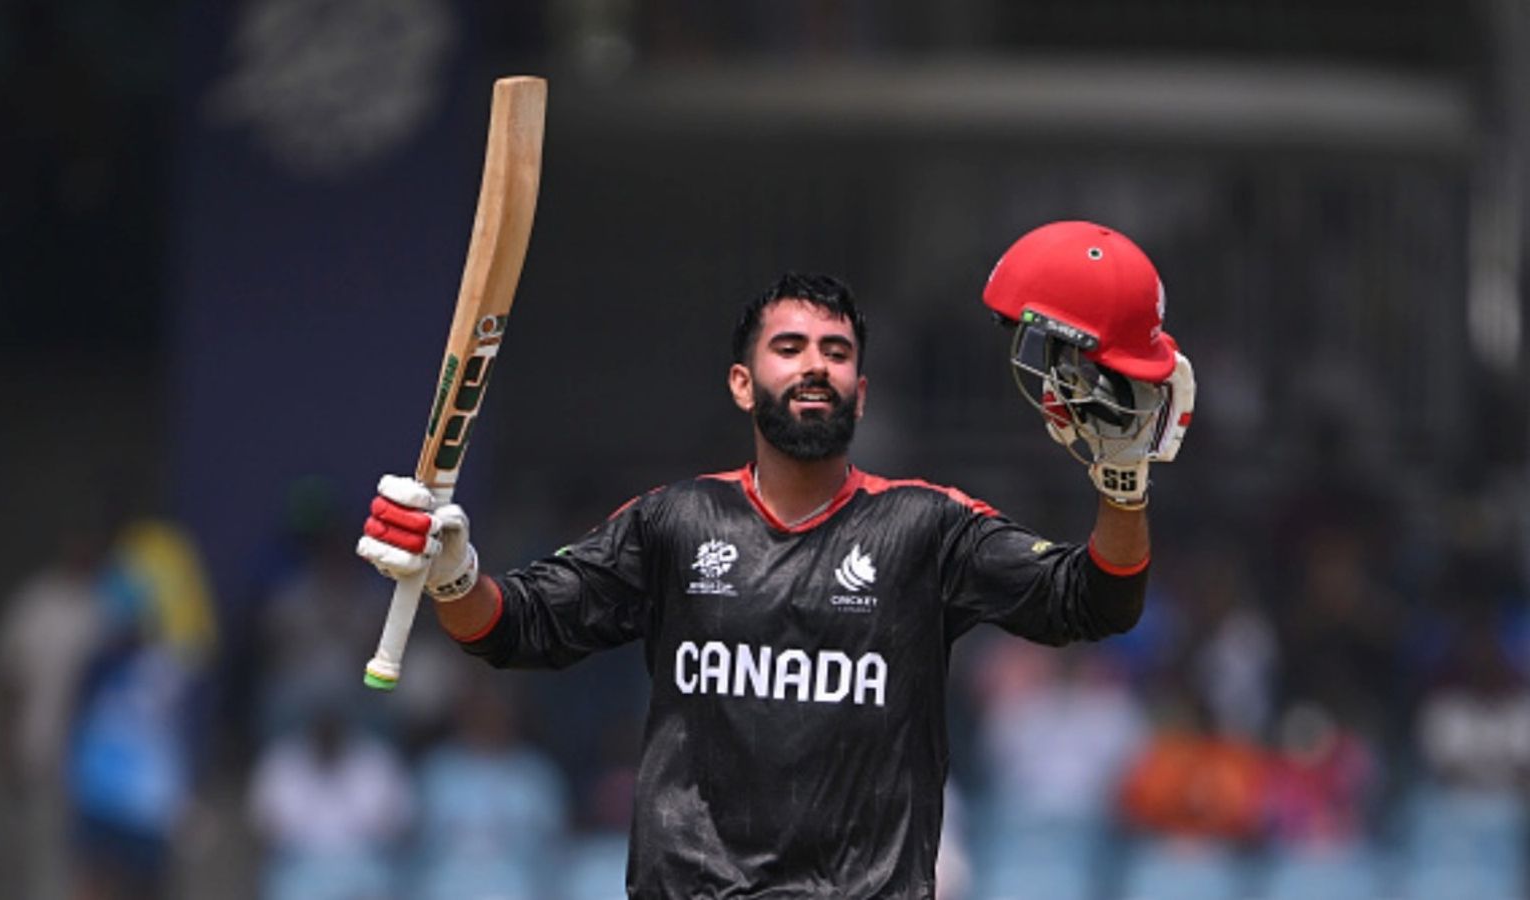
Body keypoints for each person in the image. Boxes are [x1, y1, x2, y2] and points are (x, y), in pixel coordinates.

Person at [356, 220, 1197, 897]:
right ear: (740, 382)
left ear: (862, 392)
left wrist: (1123, 485)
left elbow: (1098, 604)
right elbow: (510, 630)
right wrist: (450, 570)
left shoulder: (926, 528)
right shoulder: (672, 523)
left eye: (836, 353)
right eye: (790, 348)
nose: (815, 368)